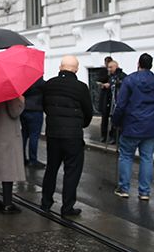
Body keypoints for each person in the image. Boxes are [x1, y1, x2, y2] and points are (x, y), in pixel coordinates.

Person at [39, 56, 93, 218]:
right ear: (76, 69)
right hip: (73, 135)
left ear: (60, 67)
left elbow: (45, 106)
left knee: (51, 168)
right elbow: (88, 111)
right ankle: (67, 206)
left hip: (53, 133)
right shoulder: (81, 87)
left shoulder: (49, 85)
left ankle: (46, 202)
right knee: (72, 171)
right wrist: (80, 124)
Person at [112, 53, 154, 200]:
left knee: (126, 156)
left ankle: (124, 188)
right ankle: (144, 192)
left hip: (132, 124)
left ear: (138, 64)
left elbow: (121, 104)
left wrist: (116, 122)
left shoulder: (129, 80)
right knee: (147, 158)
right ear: (151, 65)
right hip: (151, 126)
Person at [21, 78, 45, 168]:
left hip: (24, 109)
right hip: (36, 110)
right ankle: (33, 160)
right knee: (34, 136)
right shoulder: (42, 83)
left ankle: (22, 158)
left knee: (24, 135)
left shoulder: (24, 81)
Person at [105, 59, 127, 144]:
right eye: (108, 67)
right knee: (113, 121)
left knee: (120, 122)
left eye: (110, 67)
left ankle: (120, 138)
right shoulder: (111, 76)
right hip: (112, 102)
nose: (109, 69)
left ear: (116, 67)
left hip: (120, 102)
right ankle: (113, 137)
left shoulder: (122, 76)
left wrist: (119, 83)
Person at [97, 56, 113, 142]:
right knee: (104, 117)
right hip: (105, 96)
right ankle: (103, 135)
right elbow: (99, 80)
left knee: (113, 118)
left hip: (112, 96)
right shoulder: (103, 71)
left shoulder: (115, 72)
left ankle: (112, 136)